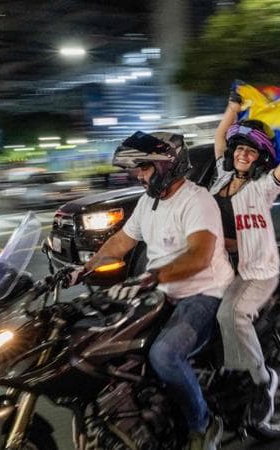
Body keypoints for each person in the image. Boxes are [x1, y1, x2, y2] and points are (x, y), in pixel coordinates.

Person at [81, 131, 235, 450]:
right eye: (137, 169)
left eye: (145, 168)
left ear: (168, 165)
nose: (139, 175)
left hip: (204, 293)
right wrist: (83, 268)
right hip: (163, 292)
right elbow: (122, 242)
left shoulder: (196, 200)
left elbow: (200, 255)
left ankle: (203, 425)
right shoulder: (148, 202)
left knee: (164, 354)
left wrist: (152, 276)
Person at [210, 92, 280, 425]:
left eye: (251, 151)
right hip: (218, 270)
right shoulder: (221, 177)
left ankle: (263, 381)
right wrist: (232, 106)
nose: (243, 154)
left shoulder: (262, 188)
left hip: (256, 271)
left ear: (259, 158)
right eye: (240, 149)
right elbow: (221, 135)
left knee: (230, 314)